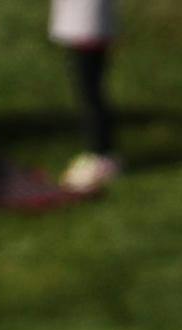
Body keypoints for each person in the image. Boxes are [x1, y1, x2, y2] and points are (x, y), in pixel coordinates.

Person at [52, 0, 120, 193]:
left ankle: (102, 154)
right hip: (81, 20)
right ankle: (98, 151)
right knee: (87, 88)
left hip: (88, 21)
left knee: (90, 89)